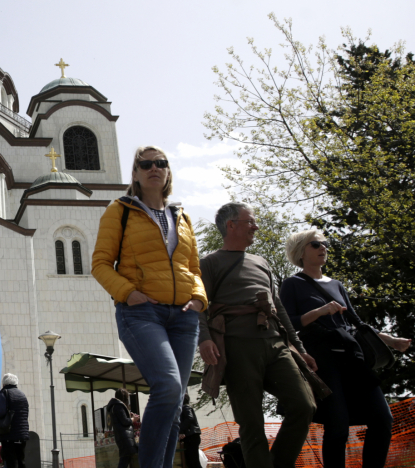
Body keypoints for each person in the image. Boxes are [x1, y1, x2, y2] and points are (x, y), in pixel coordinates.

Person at [91, 145, 206, 468]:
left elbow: (193, 269)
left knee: (173, 403)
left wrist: (199, 298)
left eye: (161, 163)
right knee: (168, 387)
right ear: (136, 174)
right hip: (141, 313)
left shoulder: (181, 217)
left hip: (184, 318)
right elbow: (100, 263)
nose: (154, 168)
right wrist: (128, 293)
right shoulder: (121, 210)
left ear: (168, 172)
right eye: (146, 164)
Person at [198, 202, 317, 468]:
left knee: (304, 405)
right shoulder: (209, 263)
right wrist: (204, 339)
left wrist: (299, 348)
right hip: (237, 346)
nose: (256, 226)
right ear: (231, 225)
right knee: (251, 423)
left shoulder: (261, 262)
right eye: (250, 221)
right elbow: (197, 307)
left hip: (276, 344)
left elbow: (279, 309)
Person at [280, 229, 411, 468]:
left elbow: (357, 324)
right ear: (300, 252)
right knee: (337, 427)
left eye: (324, 244)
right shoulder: (292, 284)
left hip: (354, 359)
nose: (323, 247)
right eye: (315, 244)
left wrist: (390, 340)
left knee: (383, 420)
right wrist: (320, 312)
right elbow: (287, 323)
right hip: (323, 362)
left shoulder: (337, 285)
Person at [0, 373, 29, 468]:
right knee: (21, 461)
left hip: (9, 434)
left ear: (4, 383)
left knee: (10, 462)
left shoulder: (5, 393)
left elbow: (1, 412)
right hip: (22, 434)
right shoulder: (22, 394)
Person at [106, 389, 138, 468]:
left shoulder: (114, 406)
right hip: (125, 438)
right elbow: (125, 421)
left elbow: (121, 419)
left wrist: (129, 416)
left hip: (122, 438)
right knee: (125, 458)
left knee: (126, 458)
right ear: (124, 398)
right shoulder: (118, 406)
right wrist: (134, 419)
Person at [178, 393, 201, 468]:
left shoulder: (185, 407)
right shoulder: (184, 408)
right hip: (191, 436)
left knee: (193, 461)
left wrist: (181, 430)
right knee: (191, 461)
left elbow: (190, 418)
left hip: (191, 436)